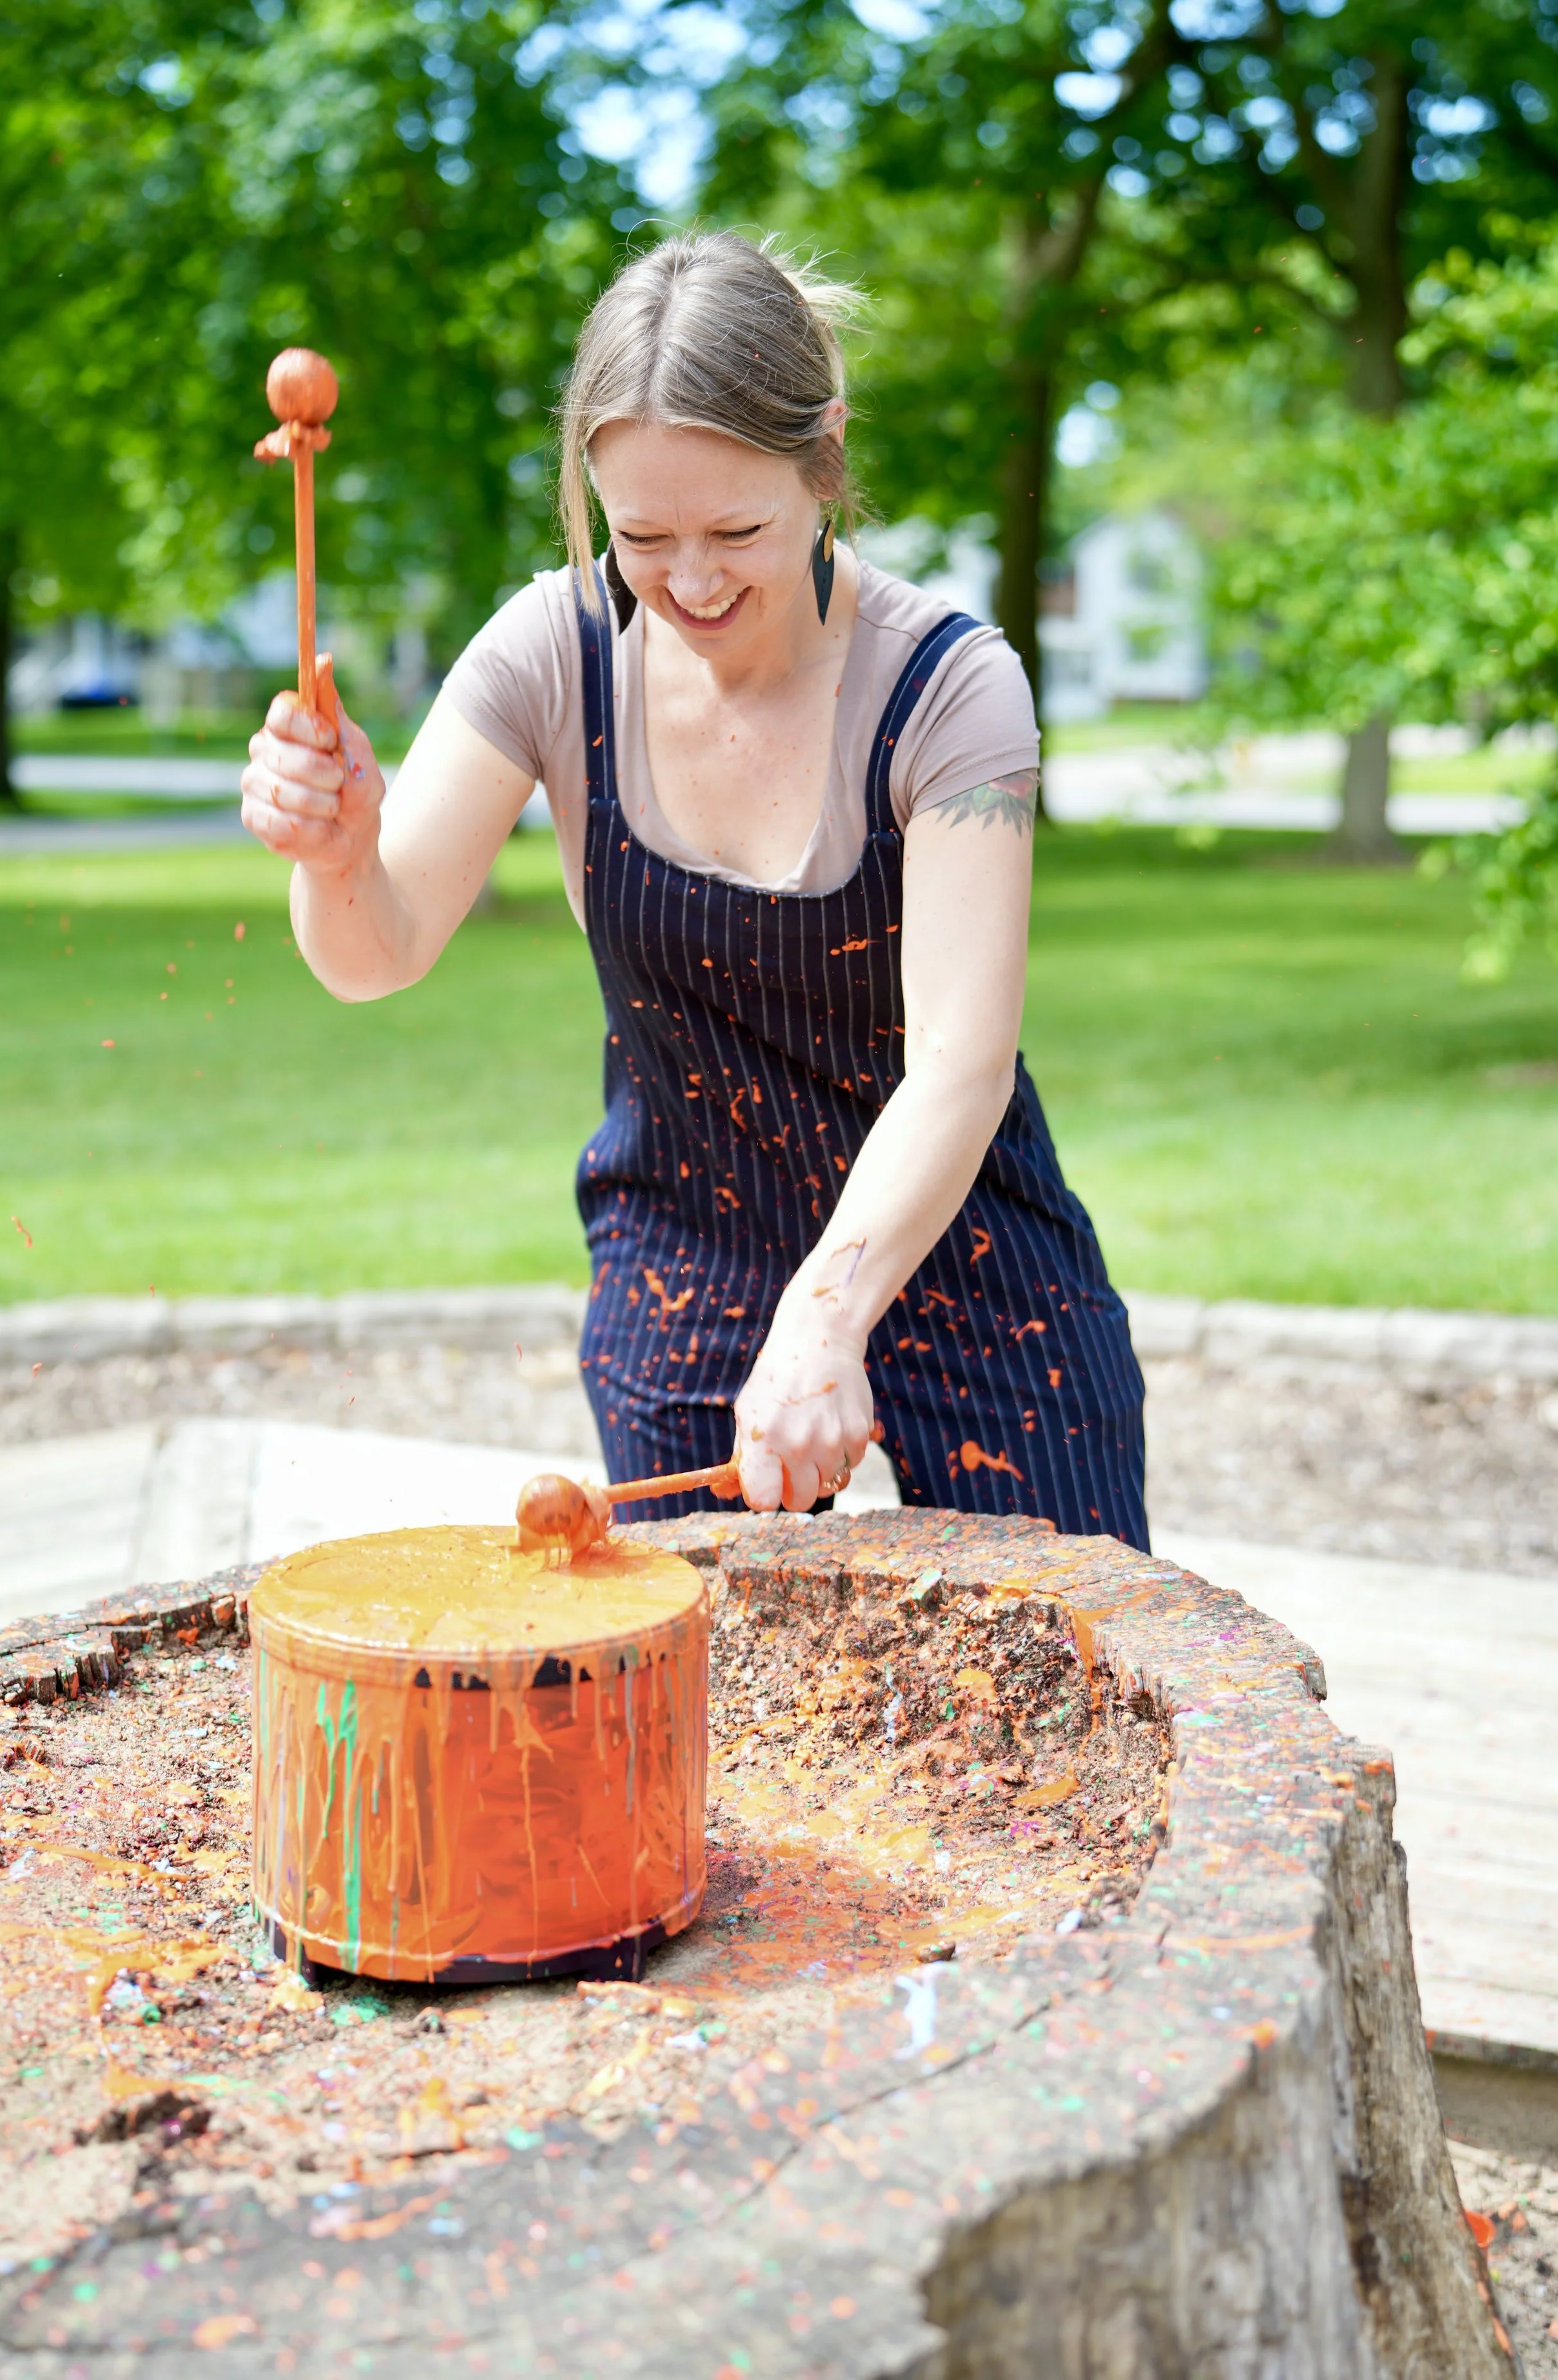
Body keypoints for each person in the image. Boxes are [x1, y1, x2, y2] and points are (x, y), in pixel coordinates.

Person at [241, 230, 1147, 1541]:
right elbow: (371, 951)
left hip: (970, 1259)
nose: (695, 580)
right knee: (702, 1722)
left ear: (822, 455)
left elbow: (960, 1066)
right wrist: (334, 856)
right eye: (645, 536)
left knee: (1078, 1686)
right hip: (685, 1270)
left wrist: (827, 1315)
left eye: (738, 528)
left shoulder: (950, 689)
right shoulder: (549, 651)